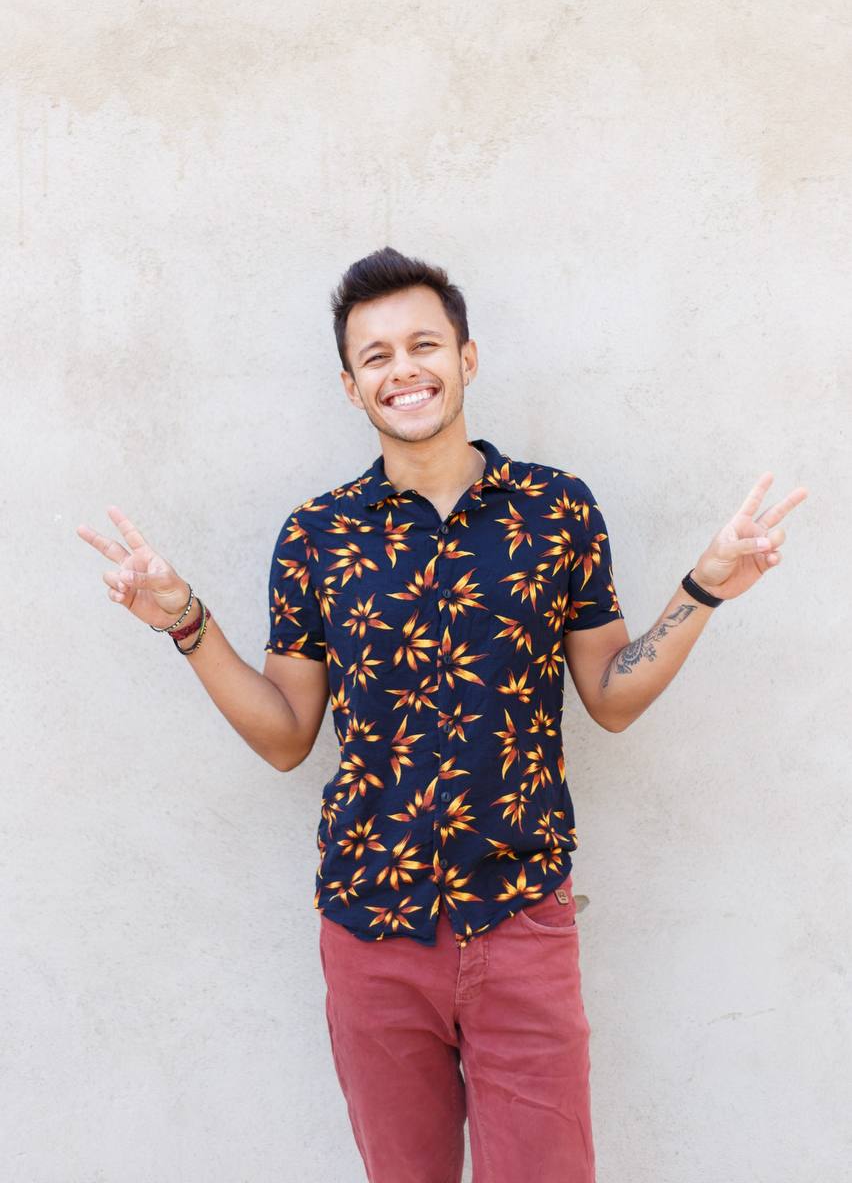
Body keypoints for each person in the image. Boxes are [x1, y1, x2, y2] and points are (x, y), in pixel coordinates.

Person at [77, 246, 807, 1183]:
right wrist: (184, 620)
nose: (404, 369)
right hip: (371, 929)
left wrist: (703, 590)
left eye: (424, 344)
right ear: (352, 387)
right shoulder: (316, 536)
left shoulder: (557, 509)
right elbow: (287, 735)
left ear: (466, 357)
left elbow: (611, 697)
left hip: (521, 916)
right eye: (375, 355)